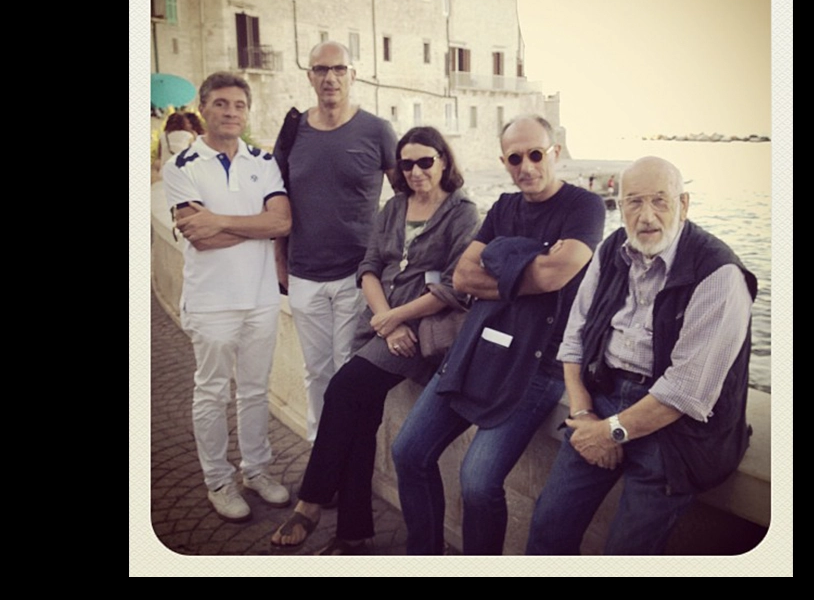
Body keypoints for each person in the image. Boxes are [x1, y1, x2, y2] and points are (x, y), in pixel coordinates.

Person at [391, 115, 605, 555]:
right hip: (476, 347)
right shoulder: (505, 208)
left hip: (537, 364)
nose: (525, 165)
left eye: (535, 154)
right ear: (503, 161)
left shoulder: (584, 208)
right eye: (514, 157)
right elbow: (465, 277)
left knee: (477, 481)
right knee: (409, 451)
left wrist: (504, 259)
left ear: (555, 153)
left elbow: (555, 275)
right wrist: (530, 261)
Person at [526, 156, 757, 555]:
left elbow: (684, 393)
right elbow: (575, 336)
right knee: (548, 526)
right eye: (634, 202)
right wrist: (583, 415)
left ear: (684, 205)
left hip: (677, 432)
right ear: (619, 205)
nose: (647, 216)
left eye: (660, 201)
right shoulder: (612, 249)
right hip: (602, 398)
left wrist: (609, 432)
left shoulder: (718, 273)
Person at [270, 127, 478, 554]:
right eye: (407, 163)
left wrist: (396, 319)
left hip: (420, 331)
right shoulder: (394, 206)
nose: (416, 171)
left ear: (443, 161)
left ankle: (311, 502)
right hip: (382, 324)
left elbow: (456, 287)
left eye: (425, 161)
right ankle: (354, 532)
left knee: (344, 389)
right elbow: (368, 267)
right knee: (361, 421)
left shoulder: (462, 213)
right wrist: (385, 318)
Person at [162, 72, 293, 521]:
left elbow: (281, 223)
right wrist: (248, 224)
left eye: (239, 104)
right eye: (221, 104)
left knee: (255, 391)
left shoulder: (264, 160)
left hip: (259, 299)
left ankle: (256, 471)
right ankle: (218, 481)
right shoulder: (180, 167)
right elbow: (200, 238)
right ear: (203, 108)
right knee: (212, 393)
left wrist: (219, 219)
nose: (231, 112)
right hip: (212, 302)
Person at [273, 41, 398, 443]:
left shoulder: (377, 130)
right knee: (316, 372)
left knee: (347, 371)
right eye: (321, 69)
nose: (330, 78)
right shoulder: (294, 130)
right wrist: (280, 265)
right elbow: (277, 199)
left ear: (353, 75)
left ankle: (341, 462)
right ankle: (320, 460)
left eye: (339, 69)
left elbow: (406, 195)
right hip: (304, 273)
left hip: (358, 274)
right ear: (309, 76)